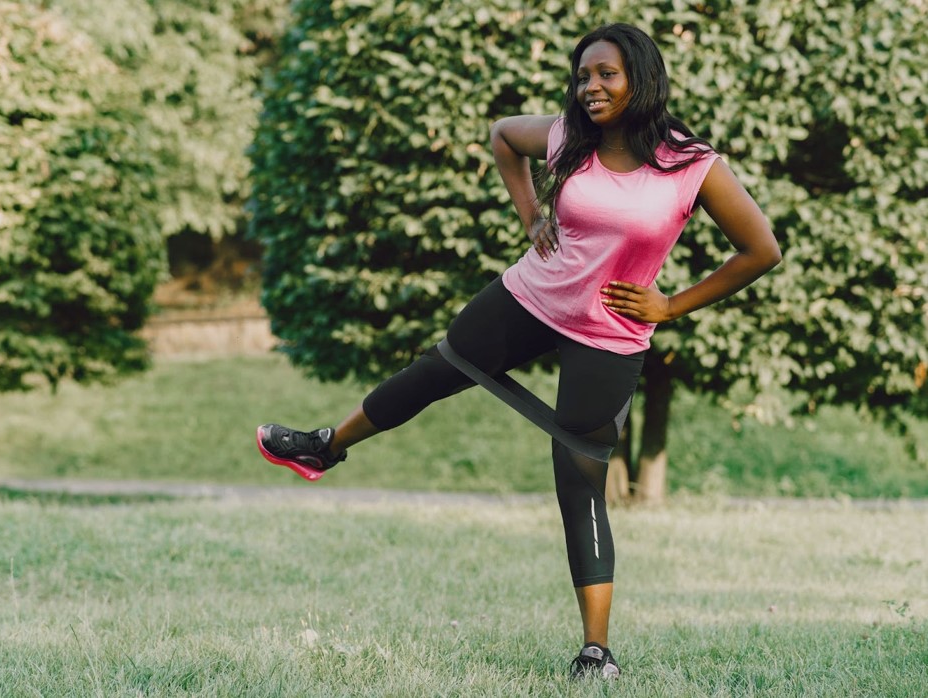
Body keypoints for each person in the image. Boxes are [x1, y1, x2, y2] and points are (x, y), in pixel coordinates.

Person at [256, 22, 781, 680]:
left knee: (578, 475)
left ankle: (596, 651)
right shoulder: (569, 137)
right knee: (432, 372)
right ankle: (325, 445)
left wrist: (671, 305)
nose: (590, 86)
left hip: (608, 331)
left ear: (641, 79)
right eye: (582, 74)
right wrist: (530, 215)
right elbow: (504, 134)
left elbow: (760, 250)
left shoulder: (689, 163)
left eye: (606, 74)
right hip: (532, 295)